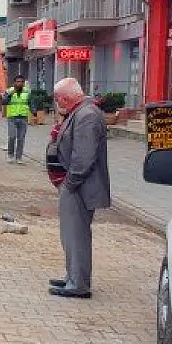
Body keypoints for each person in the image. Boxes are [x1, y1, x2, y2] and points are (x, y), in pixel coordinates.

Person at [49, 78, 110, 299]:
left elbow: (84, 156)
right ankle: (72, 276)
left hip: (79, 187)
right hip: (74, 185)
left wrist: (70, 182)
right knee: (70, 235)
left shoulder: (87, 115)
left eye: (58, 99)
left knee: (77, 236)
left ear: (65, 97)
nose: (58, 103)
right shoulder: (79, 112)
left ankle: (78, 284)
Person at [2, 75, 31, 163]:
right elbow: (4, 102)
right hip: (12, 117)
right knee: (12, 136)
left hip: (23, 117)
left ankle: (19, 157)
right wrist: (9, 95)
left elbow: (30, 102)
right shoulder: (9, 91)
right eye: (18, 82)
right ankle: (10, 155)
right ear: (14, 82)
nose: (20, 83)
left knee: (21, 138)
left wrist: (33, 113)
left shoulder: (27, 91)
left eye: (21, 82)